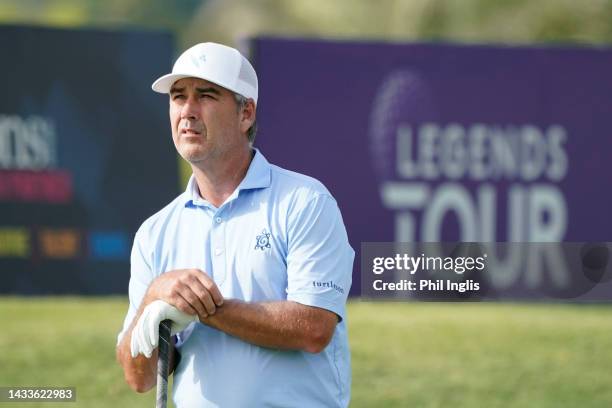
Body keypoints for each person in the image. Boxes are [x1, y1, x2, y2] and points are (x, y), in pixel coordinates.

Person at [116, 42, 354, 408]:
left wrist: (202, 307)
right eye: (178, 97)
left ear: (246, 113)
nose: (188, 111)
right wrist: (155, 297)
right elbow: (140, 378)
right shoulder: (155, 232)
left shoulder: (305, 202)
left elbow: (314, 327)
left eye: (206, 96)